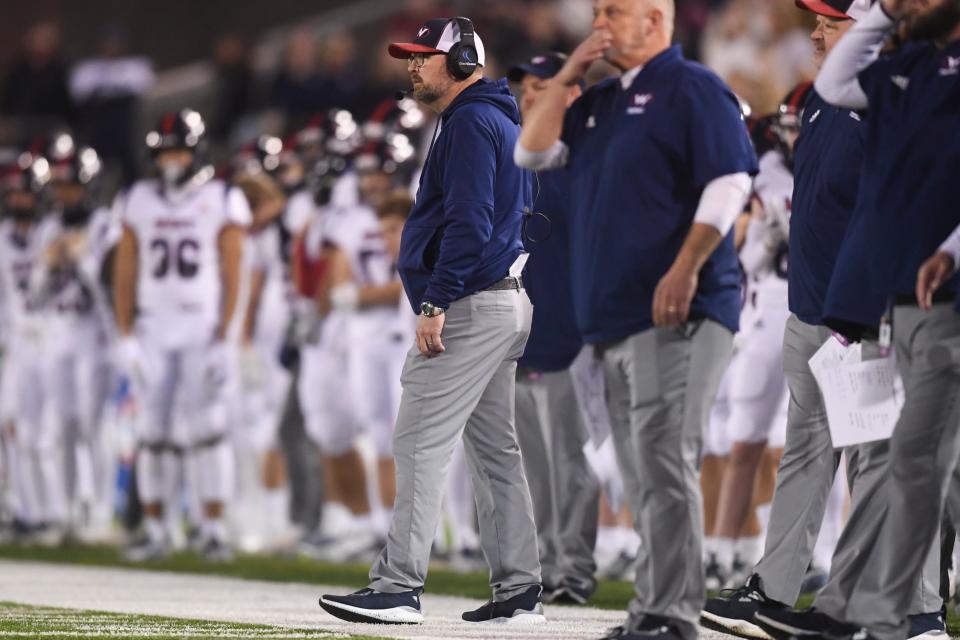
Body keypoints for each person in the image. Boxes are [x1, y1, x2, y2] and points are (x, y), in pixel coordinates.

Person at [515, 1, 757, 638]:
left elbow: (730, 180)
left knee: (665, 461)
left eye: (613, 12)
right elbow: (531, 151)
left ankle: (673, 613)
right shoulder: (599, 100)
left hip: (677, 308)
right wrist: (571, 69)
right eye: (595, 11)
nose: (599, 22)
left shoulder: (693, 86)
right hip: (616, 315)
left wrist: (685, 267)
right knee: (642, 467)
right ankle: (653, 606)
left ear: (654, 22)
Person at [319, 16, 542, 625]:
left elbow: (467, 221)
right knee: (496, 449)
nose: (412, 66)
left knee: (418, 438)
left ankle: (398, 586)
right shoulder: (492, 117)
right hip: (503, 297)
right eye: (410, 57)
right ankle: (520, 590)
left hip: (470, 300)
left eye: (424, 56)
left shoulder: (471, 121)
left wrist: (435, 301)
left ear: (464, 61)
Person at [748, 0, 960, 639]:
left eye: (832, 21)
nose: (816, 33)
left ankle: (915, 610)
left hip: (884, 307)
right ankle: (781, 593)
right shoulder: (836, 93)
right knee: (818, 458)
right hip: (824, 304)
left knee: (896, 460)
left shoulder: (914, 78)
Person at [112, 109, 250, 561]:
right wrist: (126, 332)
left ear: (195, 153)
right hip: (153, 324)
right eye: (163, 151)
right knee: (152, 431)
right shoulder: (137, 199)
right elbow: (125, 270)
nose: (170, 160)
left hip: (200, 325)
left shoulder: (222, 196)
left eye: (177, 150)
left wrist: (226, 339)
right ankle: (156, 528)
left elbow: (235, 274)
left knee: (208, 429)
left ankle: (212, 528)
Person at [506, 51, 600, 605]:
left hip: (571, 327)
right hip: (518, 329)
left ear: (572, 92)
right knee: (529, 464)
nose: (530, 94)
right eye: (527, 85)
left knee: (573, 458)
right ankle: (540, 567)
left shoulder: (584, 156)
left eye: (544, 84)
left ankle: (577, 570)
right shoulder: (514, 157)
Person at [34, 134, 118, 539]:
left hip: (95, 335)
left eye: (72, 186)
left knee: (94, 423)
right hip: (59, 334)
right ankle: (67, 510)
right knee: (64, 425)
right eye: (61, 187)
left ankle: (100, 509)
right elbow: (34, 294)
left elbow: (111, 288)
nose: (66, 195)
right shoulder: (49, 226)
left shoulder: (106, 225)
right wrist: (48, 266)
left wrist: (83, 260)